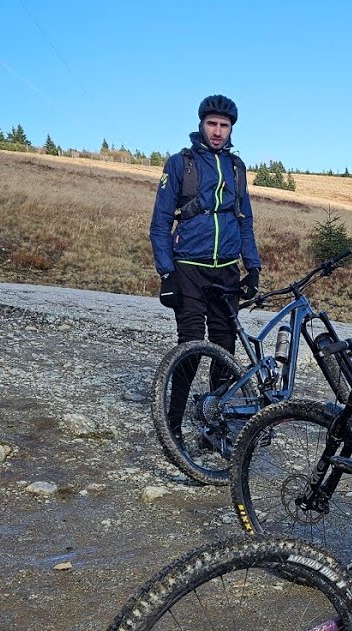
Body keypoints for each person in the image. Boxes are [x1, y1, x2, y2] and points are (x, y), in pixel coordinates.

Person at [149, 94, 262, 434]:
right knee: (192, 344)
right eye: (212, 124)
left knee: (224, 347)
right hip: (188, 268)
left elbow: (245, 221)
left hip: (226, 269)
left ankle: (215, 420)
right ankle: (173, 423)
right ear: (201, 124)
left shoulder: (237, 168)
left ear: (231, 130)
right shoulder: (181, 164)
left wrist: (252, 267)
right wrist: (166, 272)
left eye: (223, 126)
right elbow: (160, 222)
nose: (217, 131)